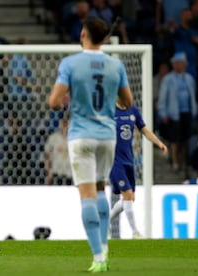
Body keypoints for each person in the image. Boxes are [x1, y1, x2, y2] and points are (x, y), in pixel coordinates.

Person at [48, 17, 133, 272]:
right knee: (100, 189)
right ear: (105, 39)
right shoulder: (115, 65)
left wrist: (72, 94)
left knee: (86, 194)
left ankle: (98, 257)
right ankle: (105, 248)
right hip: (108, 135)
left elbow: (54, 102)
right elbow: (127, 102)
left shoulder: (71, 64)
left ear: (83, 34)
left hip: (81, 135)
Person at [109, 100, 168, 239]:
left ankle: (104, 224)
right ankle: (135, 232)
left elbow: (145, 130)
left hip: (129, 160)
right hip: (114, 160)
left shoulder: (133, 110)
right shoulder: (109, 110)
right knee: (128, 195)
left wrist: (159, 143)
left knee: (130, 198)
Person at [158, 52, 197, 173]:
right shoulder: (168, 79)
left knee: (186, 139)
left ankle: (184, 162)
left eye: (180, 63)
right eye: (176, 63)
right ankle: (175, 162)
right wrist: (163, 113)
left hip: (187, 112)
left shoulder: (189, 78)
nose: (178, 66)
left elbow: (193, 95)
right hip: (174, 113)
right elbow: (163, 97)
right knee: (175, 140)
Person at [44, 118, 72, 185]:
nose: (66, 126)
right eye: (64, 124)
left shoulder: (74, 139)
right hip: (56, 173)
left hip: (69, 174)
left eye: (67, 124)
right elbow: (47, 156)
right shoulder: (53, 138)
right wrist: (48, 173)